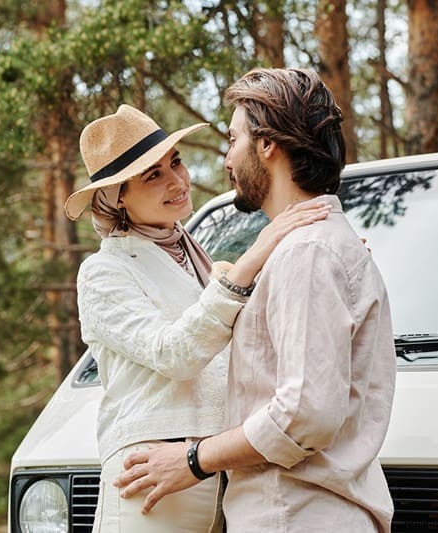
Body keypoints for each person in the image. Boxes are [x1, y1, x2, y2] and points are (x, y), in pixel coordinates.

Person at [114, 68, 397, 532]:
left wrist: (193, 459)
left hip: (295, 516)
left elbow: (306, 412)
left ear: (267, 145)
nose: (226, 159)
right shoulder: (310, 247)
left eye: (233, 139)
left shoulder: (308, 252)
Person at [64, 103, 331, 532]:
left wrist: (323, 261)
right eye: (153, 175)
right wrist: (251, 259)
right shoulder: (103, 272)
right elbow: (175, 353)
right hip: (149, 478)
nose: (177, 181)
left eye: (176, 162)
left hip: (217, 470)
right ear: (117, 199)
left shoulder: (193, 254)